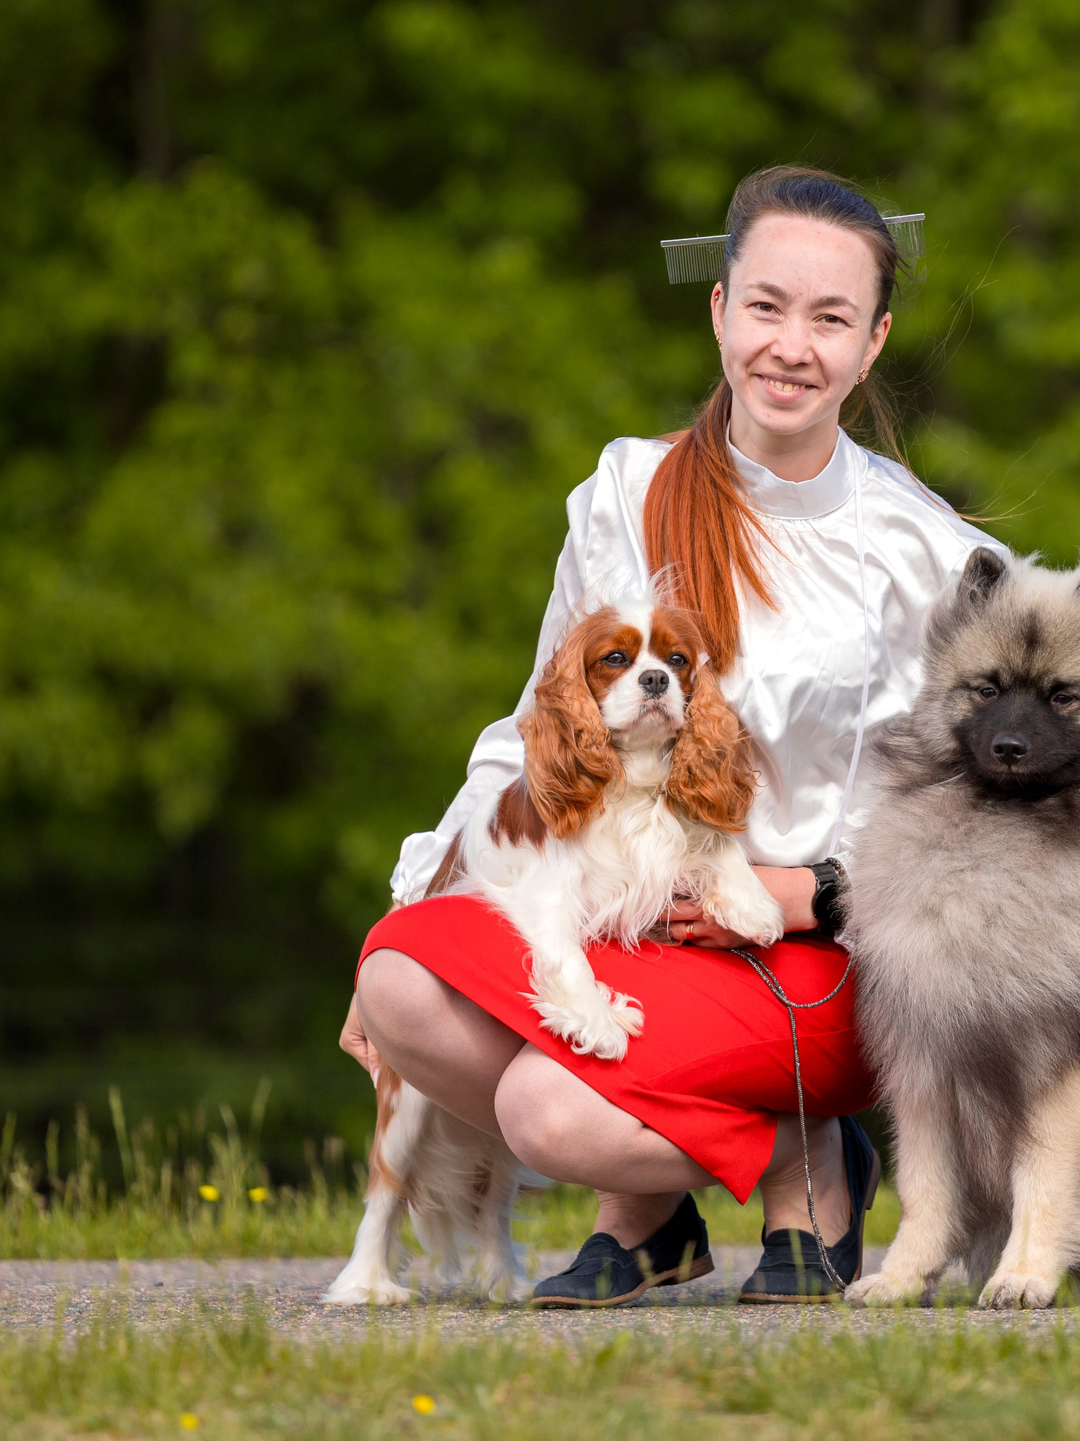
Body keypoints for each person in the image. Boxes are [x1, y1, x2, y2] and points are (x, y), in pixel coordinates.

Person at [343, 165, 1001, 1305]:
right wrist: (430, 887)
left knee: (541, 1109)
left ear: (873, 340)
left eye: (830, 317)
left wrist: (817, 892)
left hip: (811, 955)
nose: (791, 345)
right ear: (719, 309)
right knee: (399, 982)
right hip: (626, 915)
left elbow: (991, 810)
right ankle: (675, 1204)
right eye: (766, 306)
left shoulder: (921, 546)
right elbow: (532, 721)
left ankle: (802, 1160)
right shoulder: (625, 488)